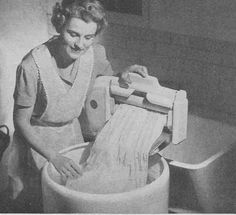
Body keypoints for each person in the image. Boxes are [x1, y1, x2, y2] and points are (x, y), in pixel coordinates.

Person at [7, 0, 148, 212]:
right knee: (37, 204)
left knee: (70, 203)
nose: (80, 44)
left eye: (88, 37)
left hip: (71, 138)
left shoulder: (95, 54)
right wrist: (53, 157)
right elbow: (20, 121)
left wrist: (123, 74)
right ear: (60, 25)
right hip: (35, 145)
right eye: (73, 34)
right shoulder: (32, 66)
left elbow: (107, 81)